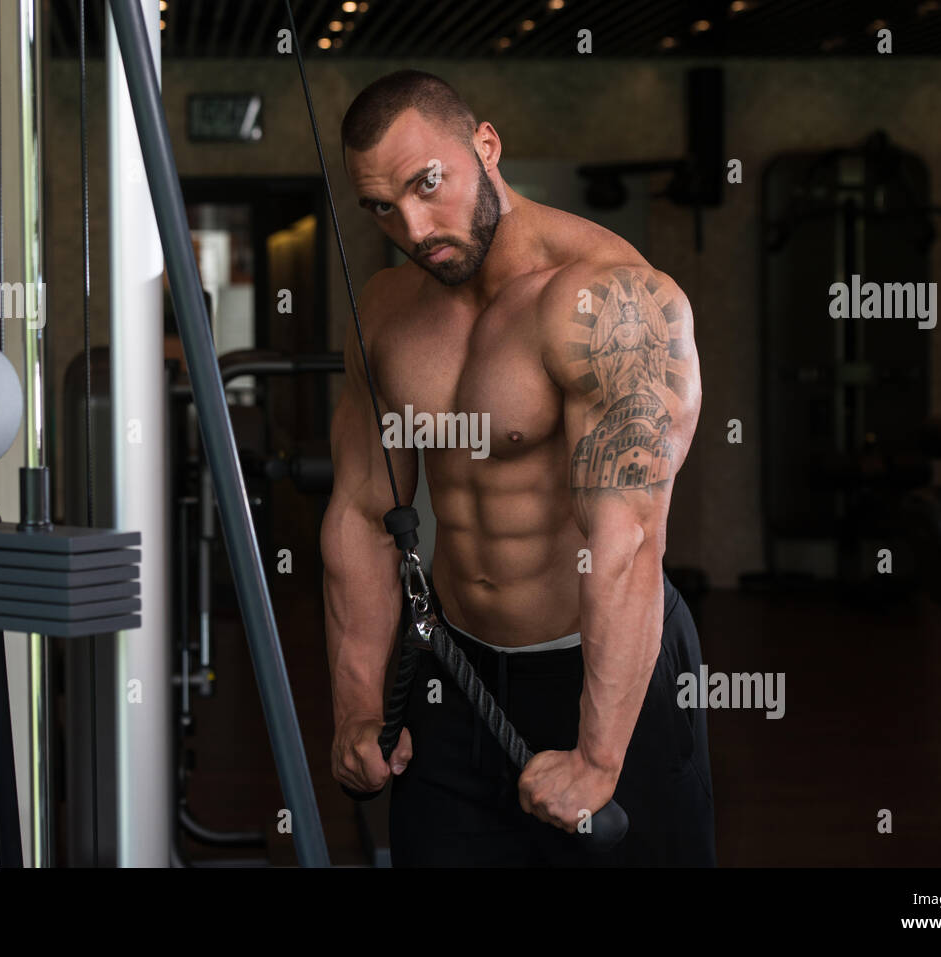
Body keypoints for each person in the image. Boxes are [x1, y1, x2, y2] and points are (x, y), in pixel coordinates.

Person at [320, 70, 713, 866]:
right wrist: (359, 707)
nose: (415, 225)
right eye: (382, 208)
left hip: (602, 673)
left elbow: (628, 539)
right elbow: (363, 511)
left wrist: (598, 759)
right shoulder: (390, 311)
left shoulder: (613, 303)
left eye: (428, 184)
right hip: (454, 670)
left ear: (486, 145)